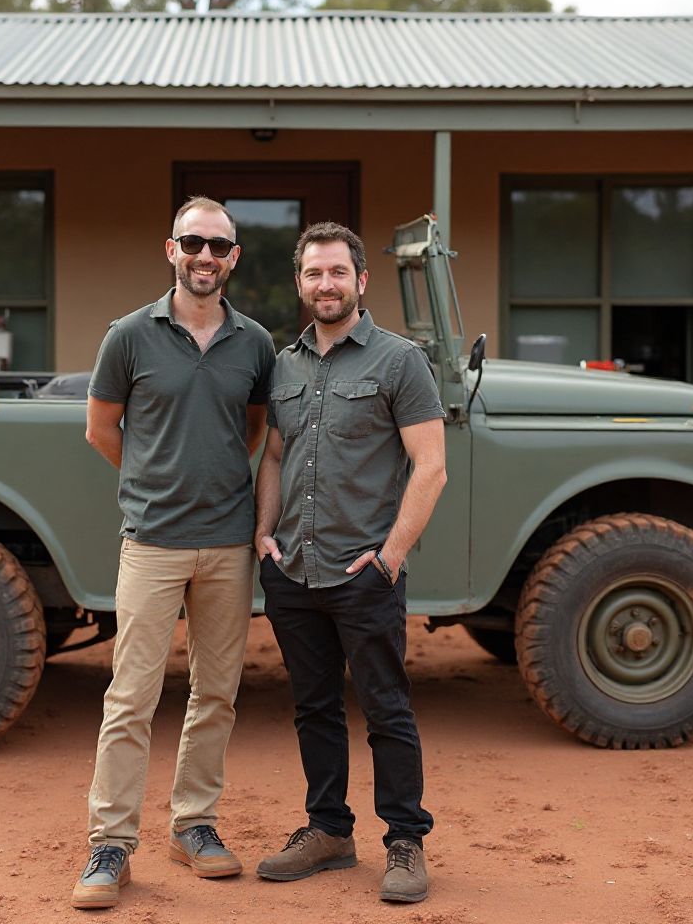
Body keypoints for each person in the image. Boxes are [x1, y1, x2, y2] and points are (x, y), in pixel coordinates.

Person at [72, 196, 276, 910]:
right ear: (172, 250)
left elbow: (253, 429)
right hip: (152, 543)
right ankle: (110, 844)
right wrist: (152, 480)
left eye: (218, 246)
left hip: (227, 544)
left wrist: (214, 482)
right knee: (131, 696)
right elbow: (101, 429)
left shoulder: (255, 343)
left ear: (234, 258)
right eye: (193, 243)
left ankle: (194, 825)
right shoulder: (128, 336)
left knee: (216, 693)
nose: (205, 257)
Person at [253, 221, 446, 904]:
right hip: (293, 571)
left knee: (386, 709)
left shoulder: (399, 361)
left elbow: (431, 466)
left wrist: (390, 558)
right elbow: (275, 454)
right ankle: (329, 830)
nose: (326, 284)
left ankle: (405, 840)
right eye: (314, 273)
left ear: (361, 280)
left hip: (363, 574)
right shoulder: (285, 364)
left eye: (337, 272)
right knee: (314, 708)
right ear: (300, 283)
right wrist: (264, 533)